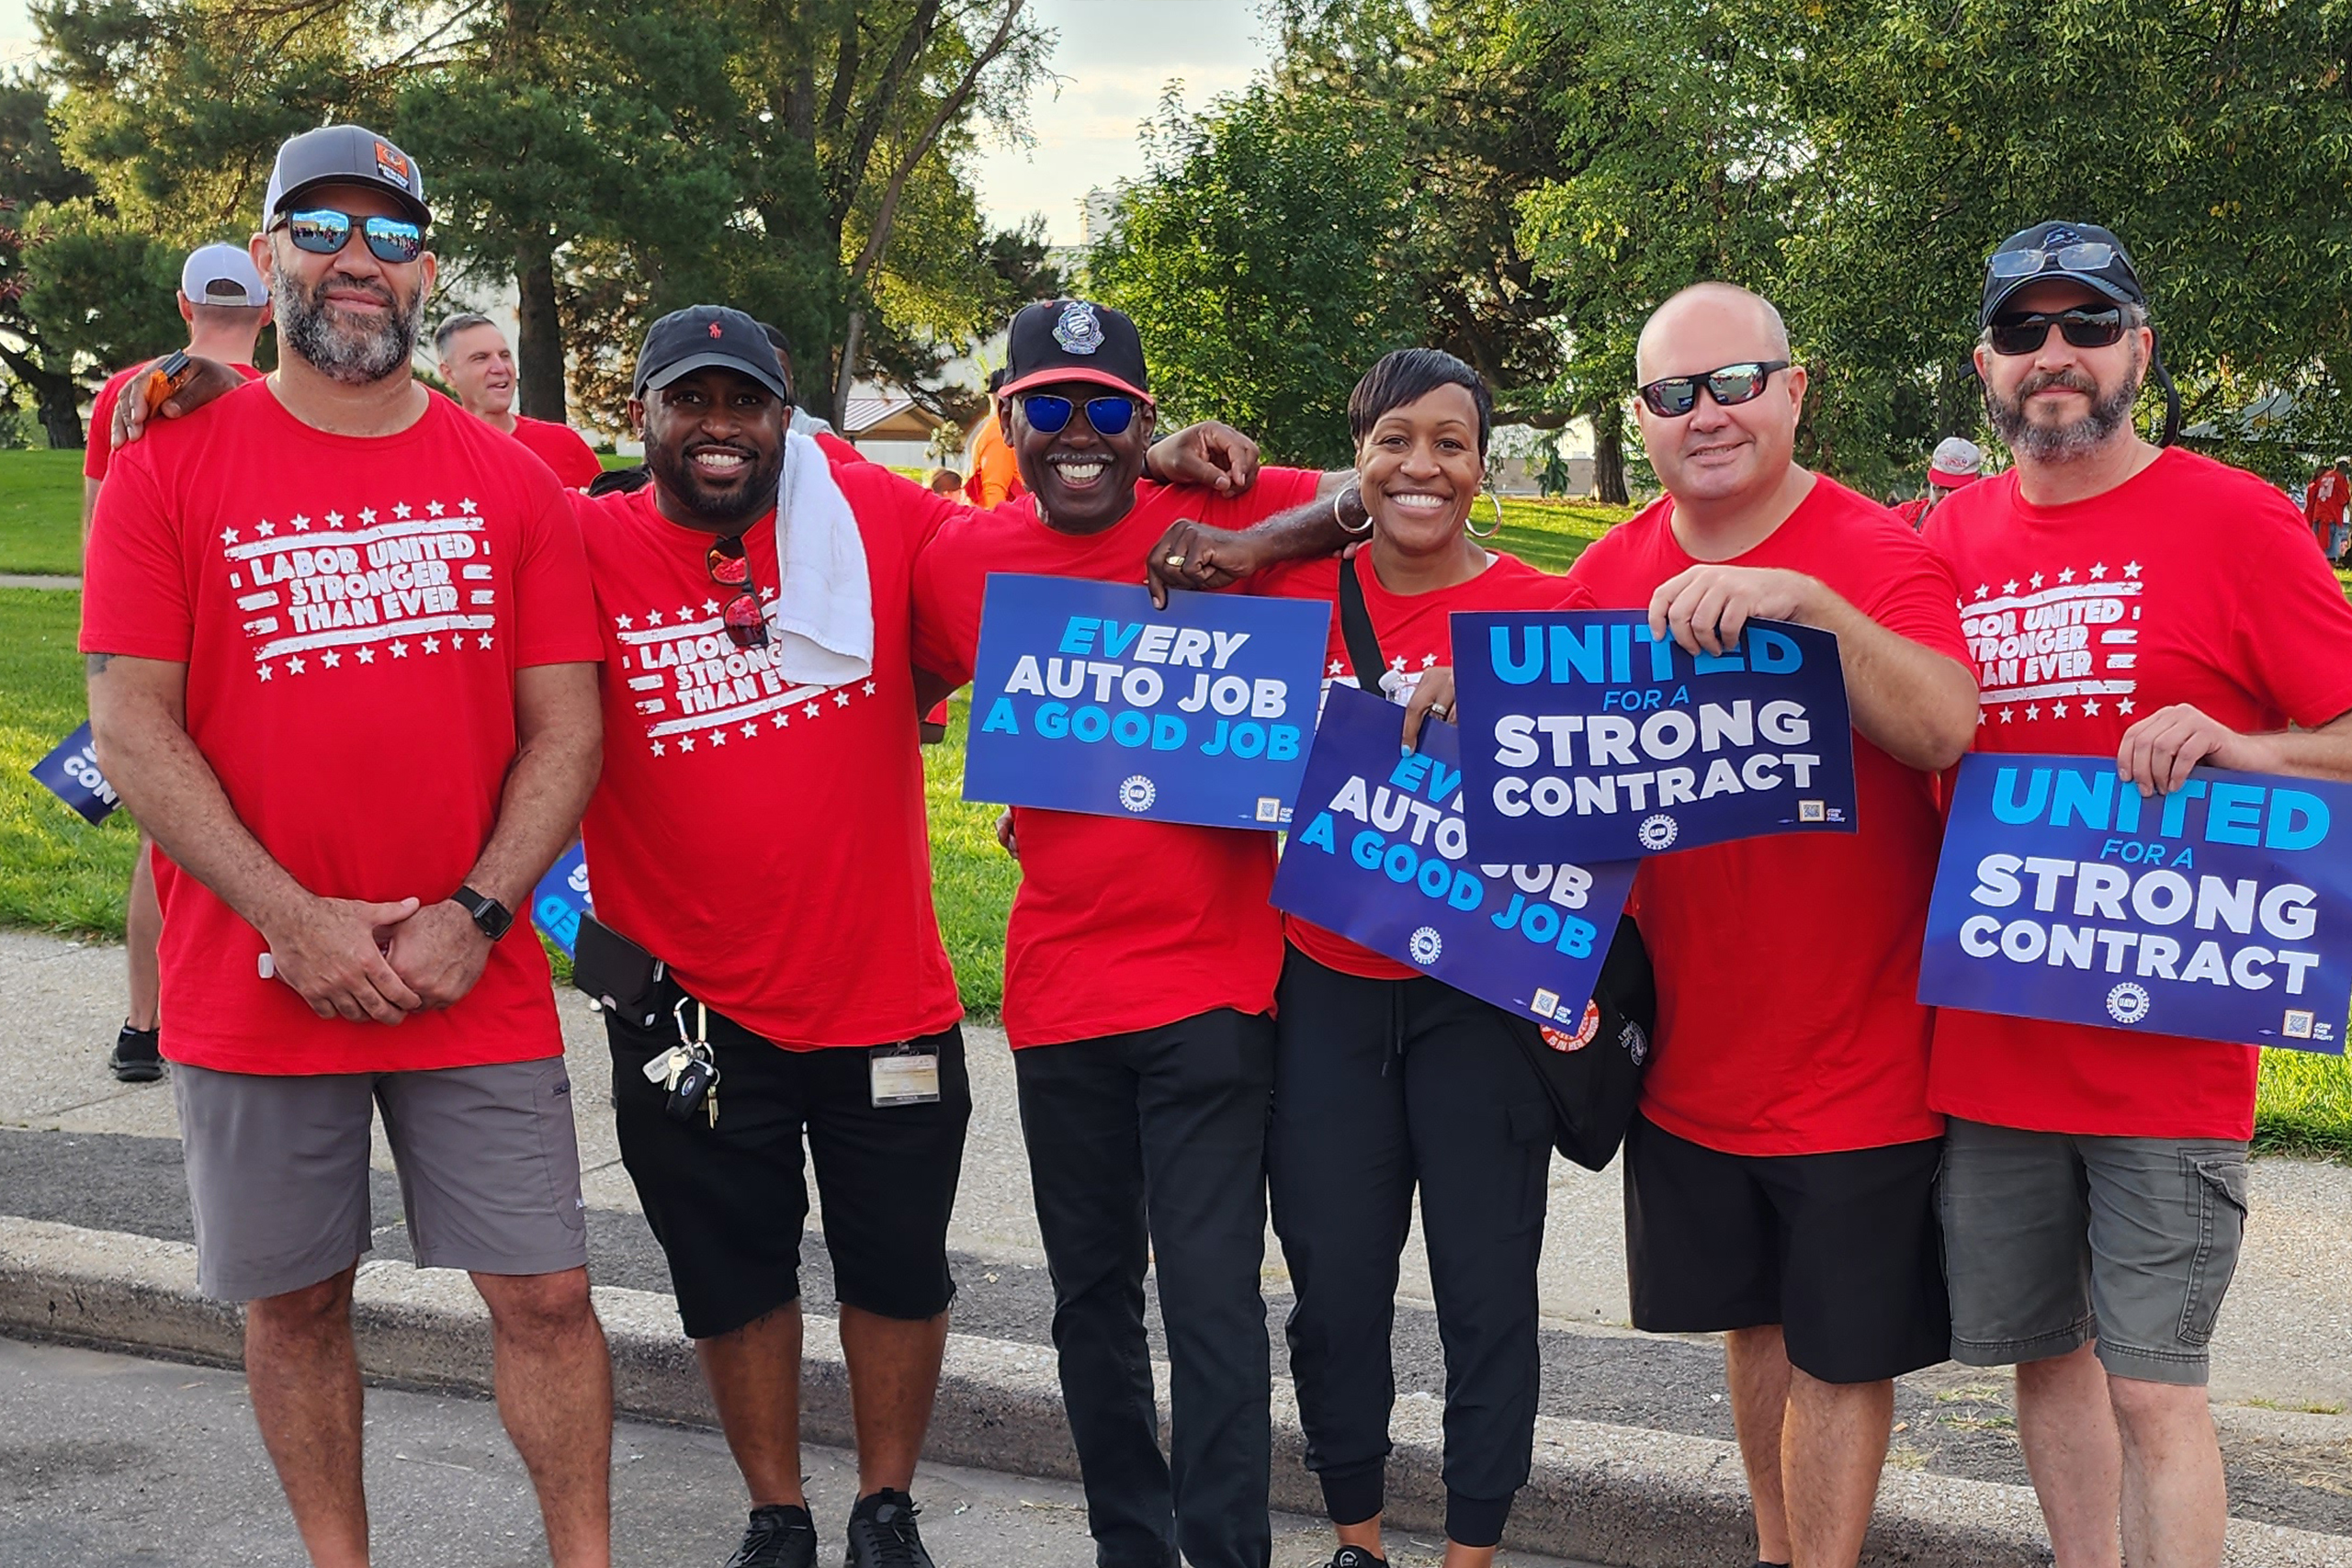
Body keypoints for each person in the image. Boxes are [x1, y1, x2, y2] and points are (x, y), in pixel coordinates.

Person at [79, 123, 611, 1568]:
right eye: (320, 229)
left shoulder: (511, 482)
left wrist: (476, 913)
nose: (356, 259)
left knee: (548, 1293)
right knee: (298, 1300)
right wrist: (293, 915)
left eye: (388, 234)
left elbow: (567, 729)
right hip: (253, 969)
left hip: (469, 967)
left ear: (426, 269)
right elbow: (130, 724)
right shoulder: (169, 464)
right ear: (268, 258)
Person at [1924, 221, 2352, 1568]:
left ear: (2139, 350)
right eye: (2023, 330)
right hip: (1993, 1047)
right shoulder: (1945, 535)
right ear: (1985, 366)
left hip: (2170, 1053)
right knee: (2045, 1362)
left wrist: (2250, 749)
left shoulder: (2239, 518)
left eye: (2088, 325)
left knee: (2157, 1389)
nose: (2054, 353)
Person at [909, 298, 1348, 1568]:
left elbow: (1383, 490)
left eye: (1107, 409)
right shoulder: (960, 559)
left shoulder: (1214, 510)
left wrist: (1244, 531)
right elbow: (900, 664)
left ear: (1145, 416)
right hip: (1059, 994)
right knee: (1091, 1300)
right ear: (1007, 424)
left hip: (1215, 989)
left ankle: (1226, 1551)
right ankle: (1128, 1543)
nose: (1078, 431)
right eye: (1048, 407)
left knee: (1213, 1303)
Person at [1565, 283, 1977, 1568]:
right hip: (1691, 1065)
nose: (1708, 414)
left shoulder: (1876, 551)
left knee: (1841, 1352)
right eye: (1674, 394)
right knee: (1754, 1326)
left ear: (1794, 389)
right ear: (1642, 418)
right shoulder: (1605, 575)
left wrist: (1815, 611)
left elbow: (1943, 725)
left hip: (1860, 1063)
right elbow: (1541, 780)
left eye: (1736, 382)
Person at [1248, 350, 1596, 1568]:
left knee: (1486, 1295)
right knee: (1334, 1292)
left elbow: (1613, 797)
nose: (1422, 466)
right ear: (1357, 455)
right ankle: (1358, 1539)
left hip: (1478, 1003)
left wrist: (1498, 701)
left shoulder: (1548, 615)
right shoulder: (1291, 594)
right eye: (1395, 438)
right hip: (1323, 994)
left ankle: (1471, 1549)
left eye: (1451, 443)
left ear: (1482, 465)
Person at [82, 242, 271, 1083]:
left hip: (158, 647)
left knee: (168, 833)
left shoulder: (130, 393)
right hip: (253, 644)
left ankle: (142, 1022)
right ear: (270, 311)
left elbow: (100, 537)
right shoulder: (286, 397)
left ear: (185, 305)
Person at [434, 312, 605, 488]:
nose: (500, 368)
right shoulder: (433, 456)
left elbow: (606, 504)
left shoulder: (564, 445)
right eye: (481, 358)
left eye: (504, 355)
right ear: (449, 374)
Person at [1893, 436, 1984, 529]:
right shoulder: (1910, 515)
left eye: (1956, 490)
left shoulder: (1985, 520)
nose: (1947, 496)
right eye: (1939, 488)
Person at [961, 367, 1022, 508]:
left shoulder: (991, 428)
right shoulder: (1000, 432)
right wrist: (997, 520)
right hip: (1002, 514)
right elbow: (994, 489)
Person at [2305, 457, 2349, 563]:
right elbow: (2343, 499)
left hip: (2318, 515)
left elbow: (2313, 492)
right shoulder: (2340, 478)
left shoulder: (2324, 476)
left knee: (2316, 548)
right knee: (2331, 553)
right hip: (2332, 516)